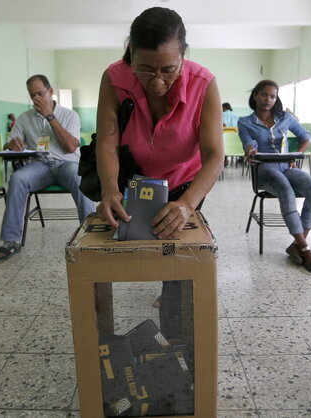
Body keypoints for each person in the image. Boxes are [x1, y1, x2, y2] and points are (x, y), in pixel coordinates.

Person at [95, 7, 224, 342]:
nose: (156, 82)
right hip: (133, 180)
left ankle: (176, 332)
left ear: (183, 57)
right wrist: (109, 189)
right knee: (125, 240)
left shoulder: (204, 85)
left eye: (168, 70)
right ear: (130, 55)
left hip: (185, 183)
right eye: (145, 69)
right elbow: (107, 144)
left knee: (177, 256)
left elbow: (214, 157)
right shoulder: (113, 79)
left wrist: (187, 204)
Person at [0, 74, 95, 264]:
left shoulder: (70, 115)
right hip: (39, 165)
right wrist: (11, 144)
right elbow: (11, 143)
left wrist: (50, 116)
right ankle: (11, 241)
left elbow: (71, 147)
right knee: (17, 179)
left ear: (50, 91)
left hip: (67, 163)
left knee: (80, 179)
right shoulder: (24, 119)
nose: (37, 99)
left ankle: (91, 236)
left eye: (40, 93)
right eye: (32, 96)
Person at [238, 80, 311, 272]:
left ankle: (297, 245)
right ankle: (305, 248)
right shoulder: (245, 122)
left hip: (286, 166)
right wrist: (250, 149)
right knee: (285, 189)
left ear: (276, 99)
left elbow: (306, 137)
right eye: (264, 95)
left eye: (272, 96)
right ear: (255, 96)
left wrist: (295, 155)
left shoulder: (285, 117)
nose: (268, 99)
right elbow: (247, 142)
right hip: (264, 170)